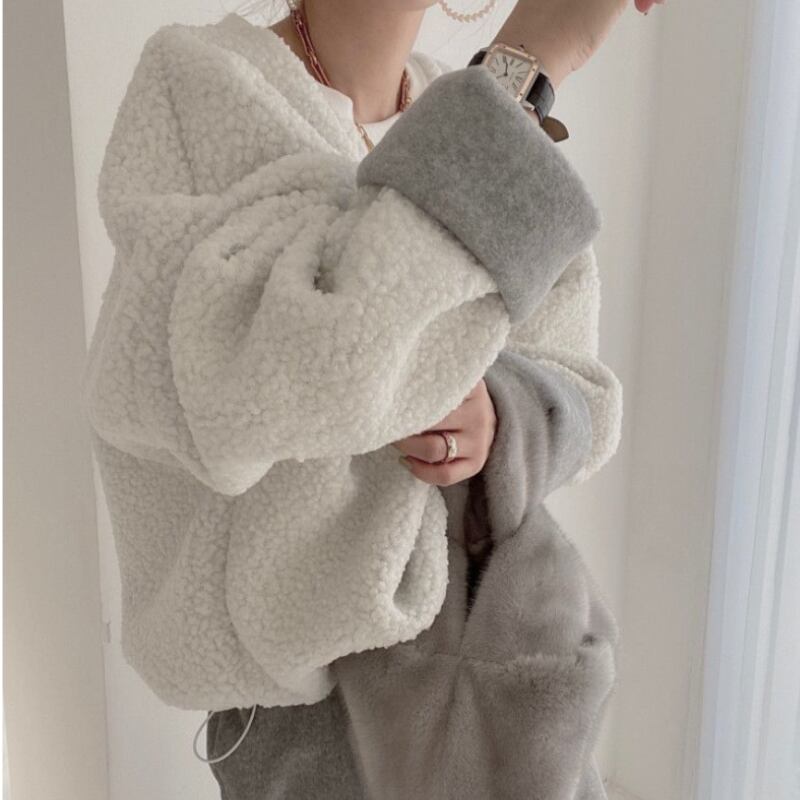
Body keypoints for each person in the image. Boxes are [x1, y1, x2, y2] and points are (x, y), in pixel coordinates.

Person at [82, 0, 662, 796]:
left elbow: (582, 392)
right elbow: (300, 373)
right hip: (326, 738)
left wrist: (499, 414)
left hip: (505, 695)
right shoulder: (205, 82)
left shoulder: (452, 103)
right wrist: (525, 68)